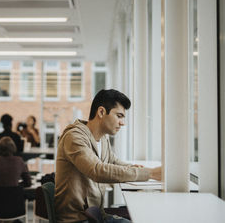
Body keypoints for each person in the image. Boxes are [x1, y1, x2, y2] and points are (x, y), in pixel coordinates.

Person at [55, 89, 162, 223]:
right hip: (78, 219)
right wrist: (150, 173)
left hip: (97, 215)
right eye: (119, 116)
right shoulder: (74, 137)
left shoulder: (102, 139)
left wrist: (135, 168)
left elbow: (113, 162)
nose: (122, 123)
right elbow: (97, 170)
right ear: (101, 112)